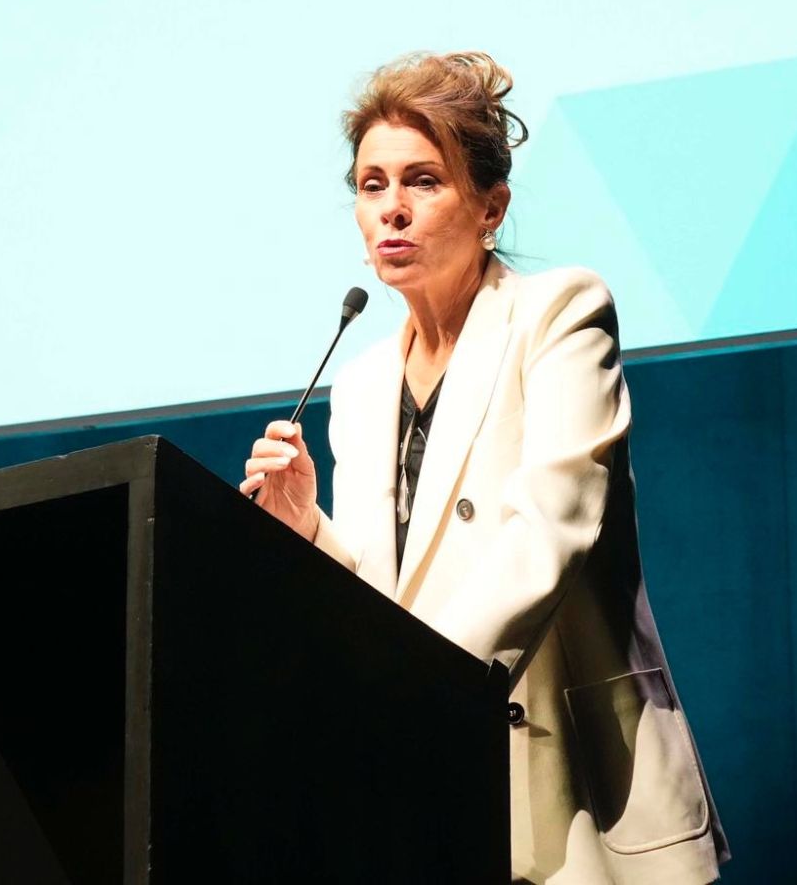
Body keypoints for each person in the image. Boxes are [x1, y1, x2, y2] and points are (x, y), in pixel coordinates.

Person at [239, 52, 730, 884]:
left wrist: (418, 690)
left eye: (423, 181)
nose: (392, 208)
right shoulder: (360, 386)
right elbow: (384, 599)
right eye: (372, 185)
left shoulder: (559, 313)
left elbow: (552, 533)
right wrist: (305, 529)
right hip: (433, 788)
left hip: (574, 785)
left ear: (490, 207)